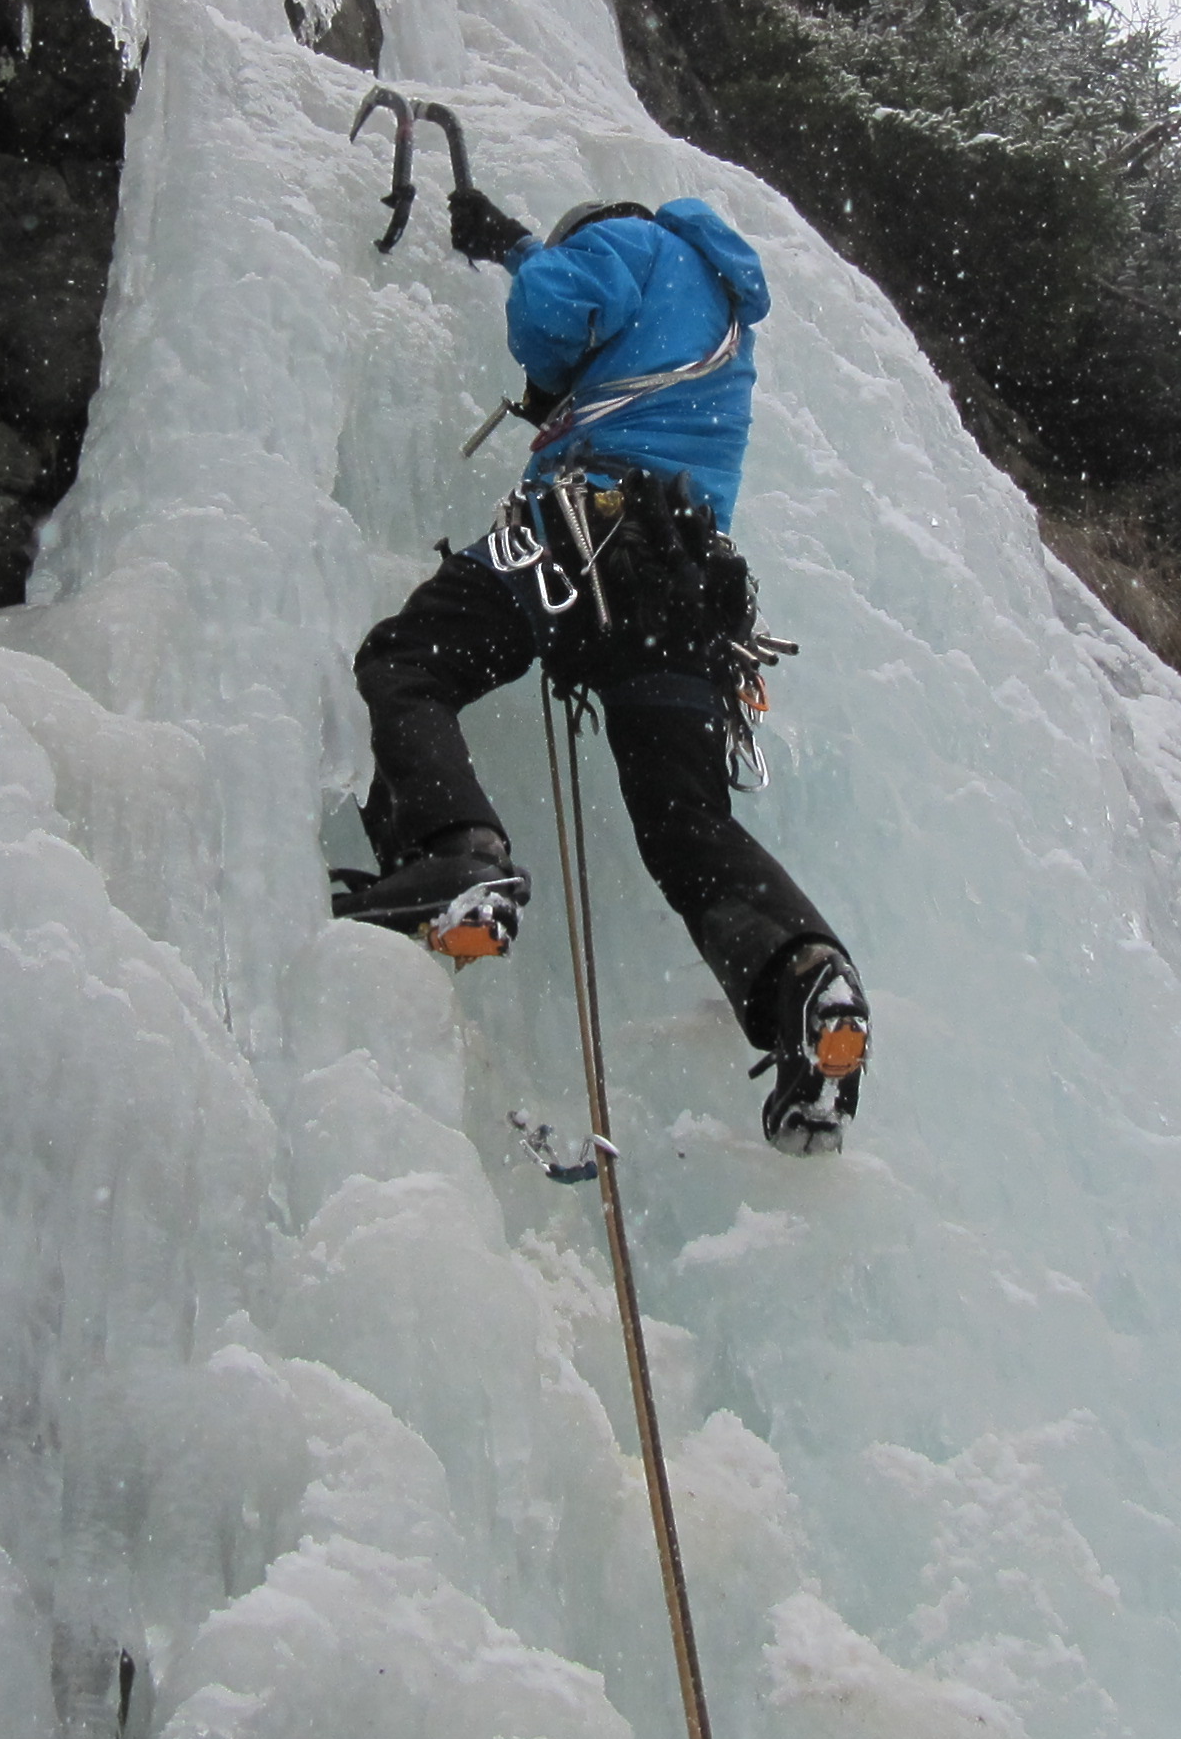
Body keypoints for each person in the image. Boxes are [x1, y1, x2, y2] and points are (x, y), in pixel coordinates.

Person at [333, 182, 869, 1155]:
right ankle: (804, 988)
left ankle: (459, 859)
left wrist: (526, 253)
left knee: (405, 664)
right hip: (688, 593)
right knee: (685, 825)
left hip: (582, 538)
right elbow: (601, 350)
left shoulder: (634, 238)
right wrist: (520, 270)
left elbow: (554, 313)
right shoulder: (721, 319)